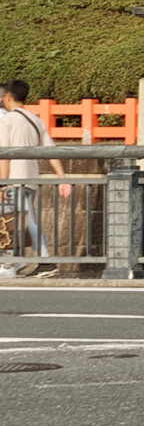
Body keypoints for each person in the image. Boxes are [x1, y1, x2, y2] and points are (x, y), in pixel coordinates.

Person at [0, 80, 64, 280]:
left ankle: (16, 263)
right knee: (25, 221)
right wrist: (62, 177)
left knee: (17, 222)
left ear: (9, 96)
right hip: (30, 179)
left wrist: (2, 182)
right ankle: (30, 261)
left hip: (14, 179)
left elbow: (4, 154)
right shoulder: (35, 119)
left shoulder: (7, 120)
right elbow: (50, 150)